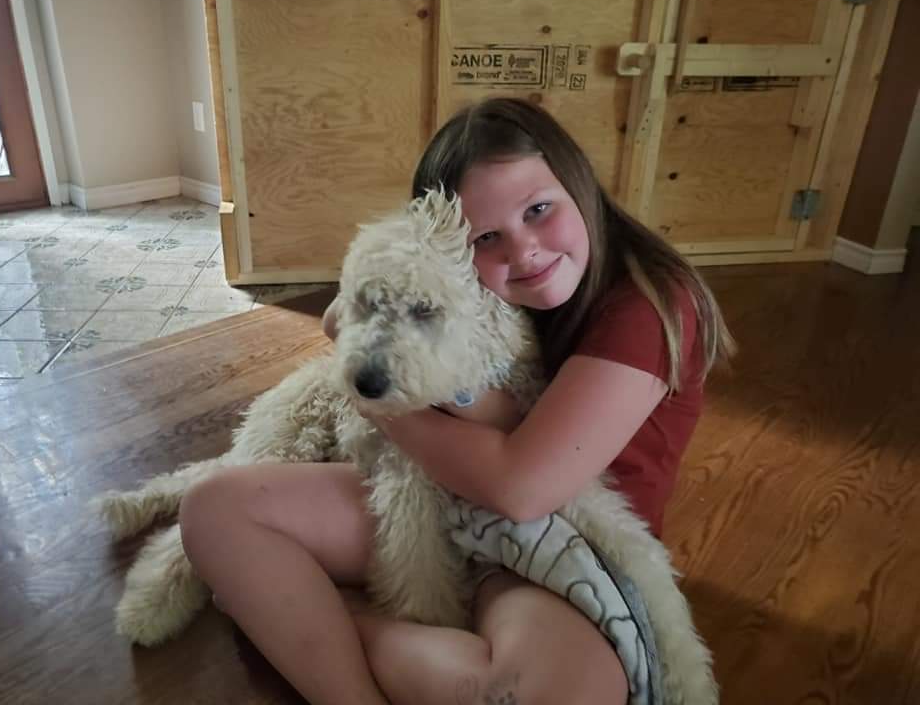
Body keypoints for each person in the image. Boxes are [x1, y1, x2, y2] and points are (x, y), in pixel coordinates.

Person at [179, 97, 735, 705]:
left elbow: (522, 488)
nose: (522, 250)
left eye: (540, 210)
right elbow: (363, 318)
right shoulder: (476, 289)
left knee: (542, 695)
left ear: (580, 186)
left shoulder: (651, 304)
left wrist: (379, 405)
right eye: (487, 236)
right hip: (437, 494)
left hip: (561, 544)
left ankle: (313, 612)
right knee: (214, 508)